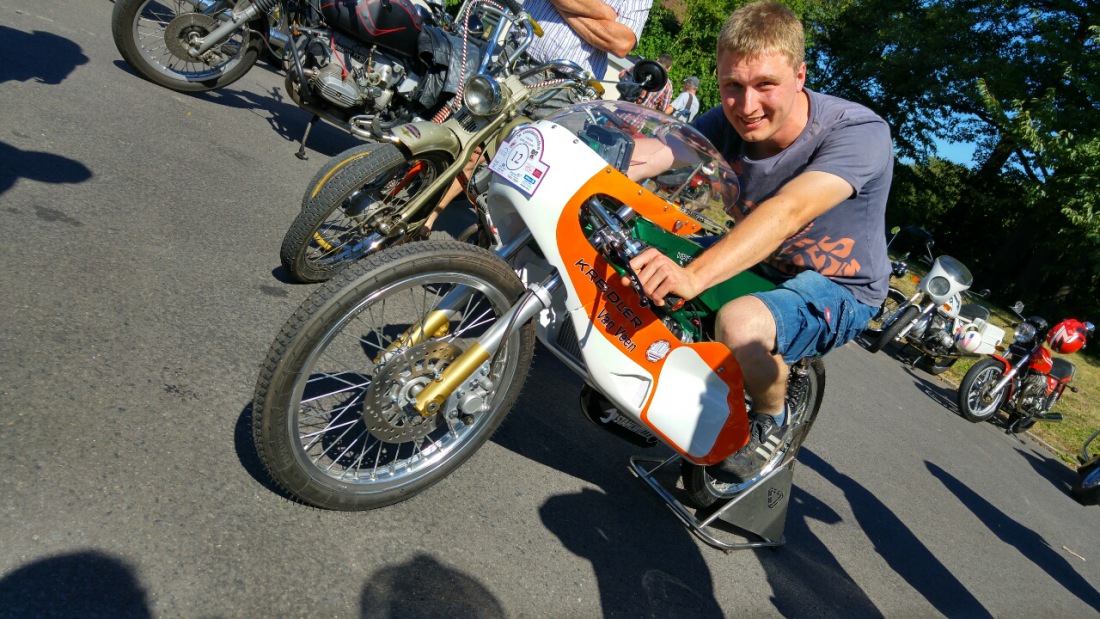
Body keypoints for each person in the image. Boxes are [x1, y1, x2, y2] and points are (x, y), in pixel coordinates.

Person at [626, 1, 893, 483]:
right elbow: (655, 154)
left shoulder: (858, 132)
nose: (747, 107)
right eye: (732, 87)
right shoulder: (723, 121)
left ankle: (772, 420)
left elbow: (788, 210)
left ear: (799, 75)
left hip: (841, 286)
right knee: (636, 248)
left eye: (765, 85)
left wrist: (694, 276)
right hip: (762, 259)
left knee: (739, 323)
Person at [420, 0, 654, 237]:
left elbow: (622, 43)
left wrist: (562, 9)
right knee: (473, 141)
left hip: (569, 88)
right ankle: (424, 220)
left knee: (528, 174)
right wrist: (604, 13)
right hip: (520, 58)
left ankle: (488, 252)